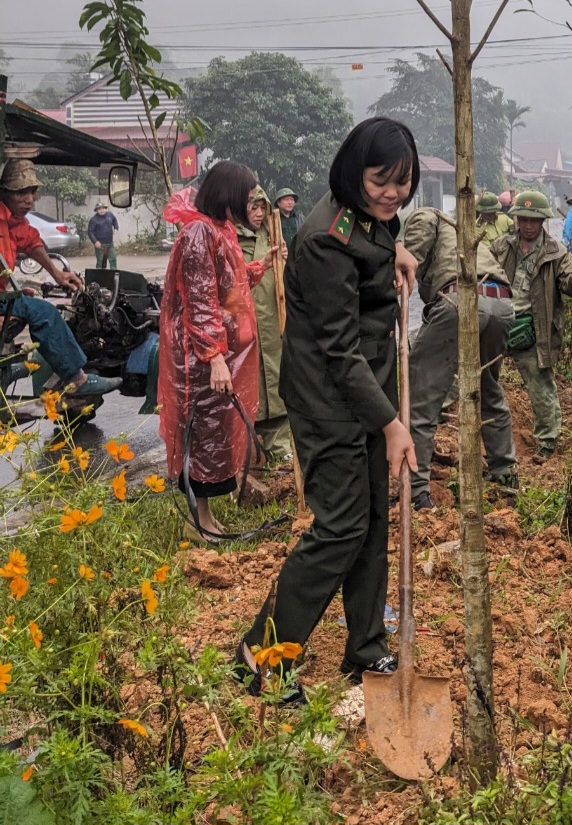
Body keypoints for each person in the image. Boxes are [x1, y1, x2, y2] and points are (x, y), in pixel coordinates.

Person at [238, 117, 421, 702]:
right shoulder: (323, 239)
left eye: (403, 181)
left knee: (370, 520)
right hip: (329, 401)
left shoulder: (366, 219)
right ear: (353, 173)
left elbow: (372, 243)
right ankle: (261, 656)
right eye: (380, 181)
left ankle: (364, 647)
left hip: (366, 394)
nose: (393, 193)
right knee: (341, 525)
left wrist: (398, 251)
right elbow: (339, 351)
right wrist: (393, 424)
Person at [157, 161, 274, 542]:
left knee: (216, 433)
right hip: (199, 359)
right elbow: (202, 300)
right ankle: (196, 521)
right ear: (229, 194)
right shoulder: (197, 233)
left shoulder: (218, 230)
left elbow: (230, 284)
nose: (249, 202)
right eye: (246, 195)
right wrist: (215, 357)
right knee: (201, 433)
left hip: (213, 355)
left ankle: (204, 517)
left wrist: (262, 266)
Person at [404, 206, 517, 512]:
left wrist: (404, 258)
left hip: (462, 297)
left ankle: (417, 491)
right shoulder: (464, 227)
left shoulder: (427, 215)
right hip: (502, 302)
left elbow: (416, 240)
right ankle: (505, 474)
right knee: (488, 386)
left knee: (421, 396)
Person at [491, 191, 572, 458]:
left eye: (534, 220)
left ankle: (547, 442)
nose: (528, 225)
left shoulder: (555, 253)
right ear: (516, 219)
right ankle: (490, 441)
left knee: (540, 387)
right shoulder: (501, 246)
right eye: (523, 219)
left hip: (533, 326)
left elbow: (569, 281)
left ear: (542, 222)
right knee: (482, 379)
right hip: (497, 322)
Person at [0, 159, 121, 396]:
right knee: (45, 313)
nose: (29, 199)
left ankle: (9, 370)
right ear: (4, 191)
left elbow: (31, 241)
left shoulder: (13, 220)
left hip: (5, 296)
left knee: (33, 305)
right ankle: (77, 379)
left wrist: (57, 273)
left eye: (32, 192)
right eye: (21, 193)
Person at [235, 186, 292, 464]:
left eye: (262, 208)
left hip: (272, 320)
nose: (259, 214)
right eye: (253, 208)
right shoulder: (231, 238)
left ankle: (280, 447)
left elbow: (286, 277)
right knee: (252, 384)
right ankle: (250, 452)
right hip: (246, 325)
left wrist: (285, 260)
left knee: (276, 383)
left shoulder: (273, 234)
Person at [88, 202, 119, 269]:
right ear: (96, 210)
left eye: (103, 208)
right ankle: (99, 276)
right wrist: (95, 241)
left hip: (110, 243)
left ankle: (113, 275)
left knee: (113, 259)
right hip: (100, 245)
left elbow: (115, 220)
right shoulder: (94, 220)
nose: (102, 210)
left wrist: (116, 228)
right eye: (99, 209)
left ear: (105, 209)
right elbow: (90, 232)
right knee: (101, 262)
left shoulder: (109, 215)